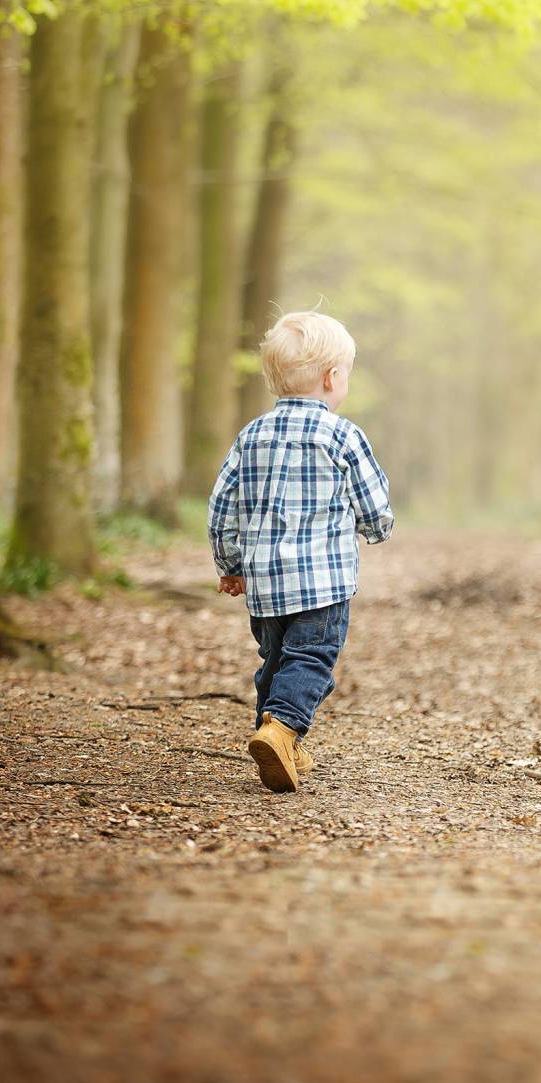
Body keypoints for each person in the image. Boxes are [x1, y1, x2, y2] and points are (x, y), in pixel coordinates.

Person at [207, 311, 394, 792]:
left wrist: (229, 564)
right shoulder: (342, 435)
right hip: (324, 582)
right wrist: (377, 528)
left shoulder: (251, 435)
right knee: (311, 657)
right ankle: (283, 728)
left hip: (265, 584)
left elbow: (222, 505)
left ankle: (277, 738)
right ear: (333, 377)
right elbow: (372, 500)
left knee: (276, 660)